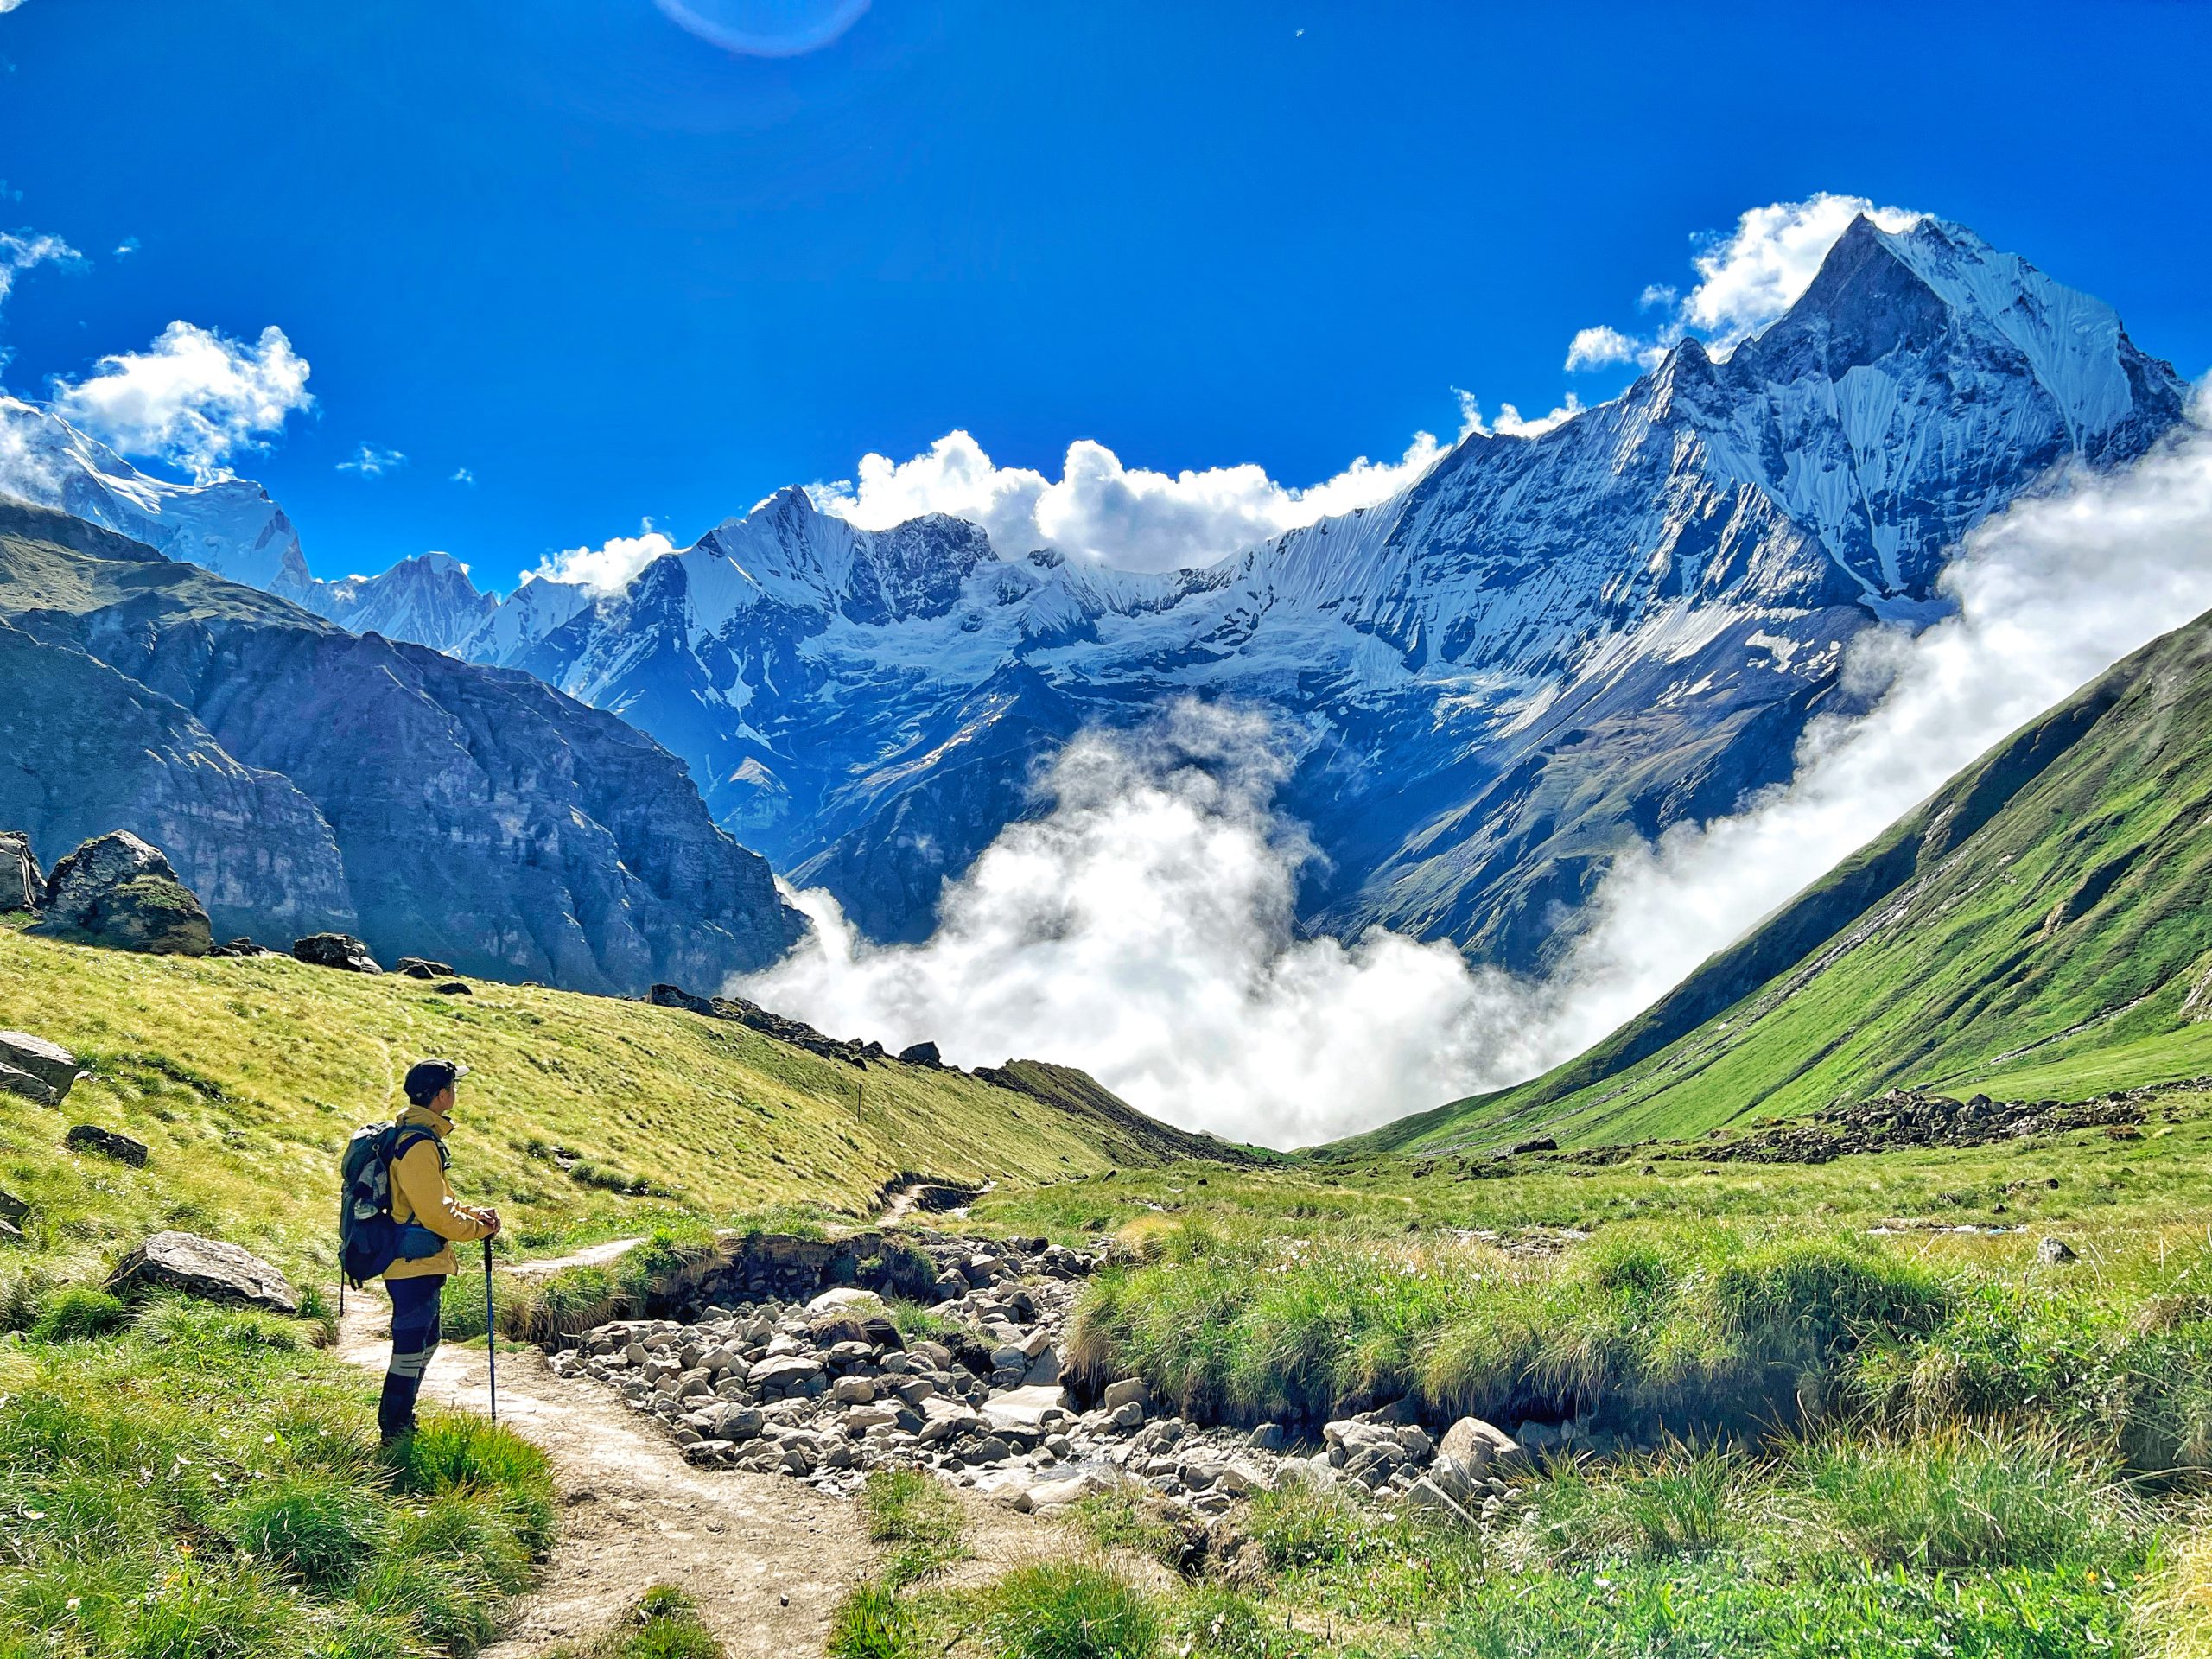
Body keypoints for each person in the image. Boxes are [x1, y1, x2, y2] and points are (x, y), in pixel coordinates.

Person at [378, 1058, 499, 1447]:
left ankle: (401, 1419)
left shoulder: (417, 1135)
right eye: (453, 1087)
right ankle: (394, 1428)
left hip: (418, 1261)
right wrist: (479, 1228)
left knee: (426, 1341)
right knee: (411, 1345)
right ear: (442, 1095)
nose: (456, 1093)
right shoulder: (418, 1145)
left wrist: (471, 1213)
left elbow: (431, 1203)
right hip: (413, 1263)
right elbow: (434, 1215)